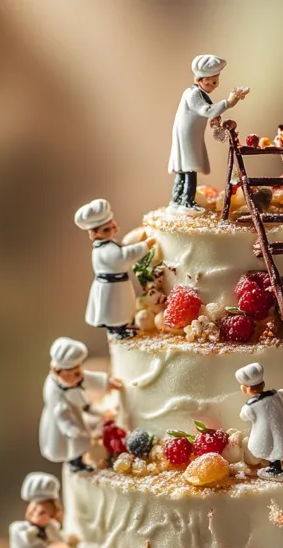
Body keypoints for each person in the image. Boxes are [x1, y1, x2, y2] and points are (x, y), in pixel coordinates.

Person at [168, 54, 249, 210]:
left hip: (189, 134)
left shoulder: (197, 92)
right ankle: (187, 202)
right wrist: (228, 102)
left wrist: (215, 118)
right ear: (200, 80)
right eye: (211, 82)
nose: (215, 85)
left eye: (216, 81)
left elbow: (207, 111)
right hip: (187, 136)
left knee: (184, 167)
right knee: (189, 167)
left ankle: (177, 199)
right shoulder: (193, 94)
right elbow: (206, 110)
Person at [39, 337, 121, 473]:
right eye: (75, 373)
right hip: (62, 423)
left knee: (80, 441)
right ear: (60, 372)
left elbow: (89, 378)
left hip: (76, 412)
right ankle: (76, 463)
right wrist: (69, 427)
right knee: (71, 443)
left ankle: (79, 460)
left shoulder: (74, 377)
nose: (80, 376)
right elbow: (60, 411)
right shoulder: (52, 389)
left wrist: (106, 382)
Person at [74, 199, 148, 340]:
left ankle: (124, 326)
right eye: (106, 229)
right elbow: (123, 257)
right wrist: (144, 246)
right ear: (94, 234)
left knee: (122, 307)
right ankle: (118, 330)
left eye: (112, 226)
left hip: (117, 283)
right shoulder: (105, 249)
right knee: (115, 310)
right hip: (111, 286)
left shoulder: (108, 245)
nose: (113, 230)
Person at [236, 362, 283, 478]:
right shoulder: (275, 395)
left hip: (267, 430)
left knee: (272, 447)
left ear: (247, 389)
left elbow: (243, 416)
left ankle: (275, 469)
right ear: (263, 384)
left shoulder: (250, 406)